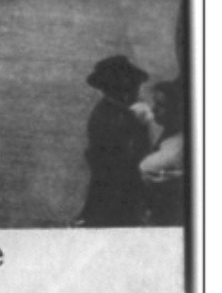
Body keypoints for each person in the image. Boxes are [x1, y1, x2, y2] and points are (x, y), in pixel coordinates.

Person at [76, 54, 152, 227]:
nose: (136, 89)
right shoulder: (113, 115)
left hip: (114, 182)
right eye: (132, 84)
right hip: (117, 185)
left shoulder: (117, 111)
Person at [139, 80, 185, 227]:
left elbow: (144, 169)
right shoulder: (169, 131)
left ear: (177, 110)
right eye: (154, 103)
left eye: (161, 105)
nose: (153, 109)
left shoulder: (177, 146)